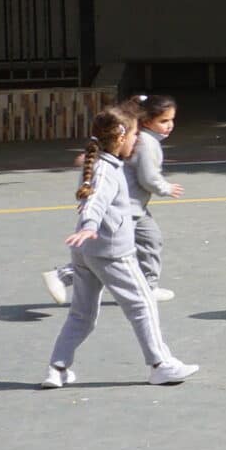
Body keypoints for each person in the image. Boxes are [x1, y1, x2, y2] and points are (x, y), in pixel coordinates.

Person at [44, 104, 198, 389]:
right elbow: (95, 201)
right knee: (143, 304)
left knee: (82, 315)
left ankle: (58, 368)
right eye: (135, 134)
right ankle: (160, 365)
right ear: (120, 137)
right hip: (111, 252)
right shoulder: (104, 171)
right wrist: (90, 225)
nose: (138, 140)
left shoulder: (99, 162)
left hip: (85, 252)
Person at [43, 90, 183, 307]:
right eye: (164, 121)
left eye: (172, 120)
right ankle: (65, 275)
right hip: (127, 208)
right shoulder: (147, 143)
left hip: (130, 207)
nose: (170, 125)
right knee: (124, 249)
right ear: (146, 121)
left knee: (144, 242)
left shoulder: (140, 139)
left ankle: (146, 286)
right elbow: (148, 177)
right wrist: (165, 188)